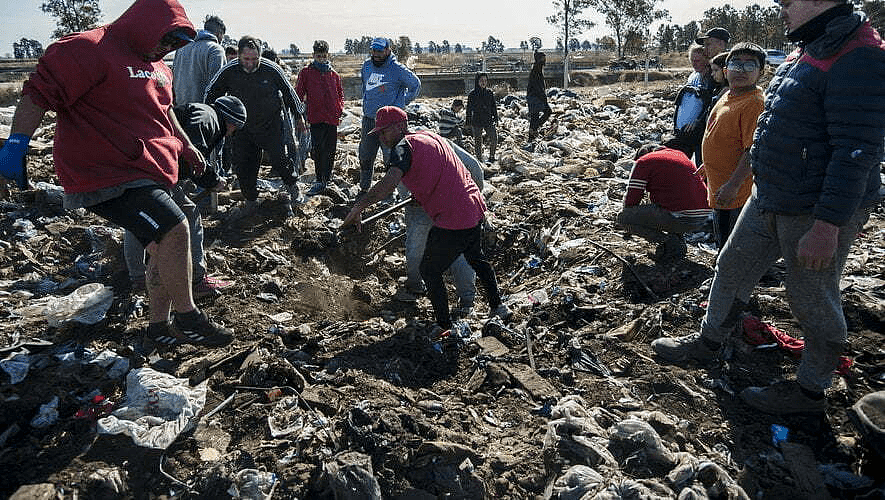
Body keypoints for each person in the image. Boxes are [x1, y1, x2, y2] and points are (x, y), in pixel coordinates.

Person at [651, 0, 885, 415]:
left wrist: (827, 226)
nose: (781, 8)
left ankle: (810, 391)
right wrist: (742, 179)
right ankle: (709, 341)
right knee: (731, 265)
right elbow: (774, 126)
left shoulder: (859, 55)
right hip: (769, 196)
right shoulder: (810, 47)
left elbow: (856, 150)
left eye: (788, 2)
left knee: (812, 297)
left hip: (812, 208)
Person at [0, 0, 233, 347]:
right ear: (145, 25)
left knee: (162, 247)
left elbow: (165, 112)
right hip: (105, 172)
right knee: (175, 227)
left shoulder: (159, 68)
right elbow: (38, 93)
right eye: (164, 40)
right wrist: (16, 143)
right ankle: (189, 318)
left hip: (150, 169)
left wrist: (186, 146)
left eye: (173, 45)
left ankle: (158, 327)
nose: (166, 49)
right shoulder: (89, 48)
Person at [342, 106, 510, 333]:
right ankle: (498, 307)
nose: (382, 137)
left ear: (401, 127)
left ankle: (444, 326)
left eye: (385, 131)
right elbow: (448, 169)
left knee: (429, 270)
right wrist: (422, 195)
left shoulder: (402, 148)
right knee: (476, 259)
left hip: (453, 216)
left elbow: (388, 184)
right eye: (379, 133)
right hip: (474, 207)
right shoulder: (429, 136)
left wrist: (359, 207)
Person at [124, 96, 246, 301]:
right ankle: (197, 279)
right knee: (189, 214)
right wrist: (213, 180)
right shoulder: (208, 117)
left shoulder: (200, 111)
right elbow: (193, 149)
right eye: (235, 128)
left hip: (141, 162)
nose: (232, 132)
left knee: (136, 219)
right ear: (231, 122)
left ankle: (137, 278)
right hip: (157, 168)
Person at [205, 35, 306, 217]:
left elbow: (289, 92)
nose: (250, 63)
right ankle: (251, 200)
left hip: (270, 125)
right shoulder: (229, 70)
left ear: (260, 56)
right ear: (239, 56)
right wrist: (211, 117)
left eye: (254, 59)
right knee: (243, 167)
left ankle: (292, 185)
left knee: (279, 159)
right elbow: (211, 93)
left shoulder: (271, 69)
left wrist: (299, 115)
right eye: (246, 59)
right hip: (242, 128)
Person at [395, 139, 485, 318]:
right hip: (451, 204)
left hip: (429, 205)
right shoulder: (439, 143)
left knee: (416, 244)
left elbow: (401, 188)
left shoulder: (400, 152)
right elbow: (475, 169)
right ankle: (467, 300)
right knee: (460, 251)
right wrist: (472, 196)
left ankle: (415, 285)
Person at [700, 43, 765, 249]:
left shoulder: (754, 103)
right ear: (726, 70)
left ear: (760, 72)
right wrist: (708, 164)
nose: (741, 71)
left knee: (732, 246)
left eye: (749, 66)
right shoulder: (729, 95)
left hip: (735, 193)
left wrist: (733, 185)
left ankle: (727, 280)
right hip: (720, 185)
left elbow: (752, 150)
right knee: (723, 237)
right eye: (736, 65)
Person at [617, 144, 712, 261]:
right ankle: (677, 240)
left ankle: (669, 242)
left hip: (681, 216)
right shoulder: (679, 154)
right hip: (703, 216)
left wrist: (631, 223)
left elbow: (632, 199)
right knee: (666, 206)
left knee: (623, 218)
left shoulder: (644, 161)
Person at [358, 37, 421, 195]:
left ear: (387, 50)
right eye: (374, 50)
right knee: (365, 154)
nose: (376, 54)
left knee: (390, 157)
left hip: (390, 124)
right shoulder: (366, 66)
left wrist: (402, 101)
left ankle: (391, 193)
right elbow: (365, 87)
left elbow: (415, 84)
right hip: (370, 119)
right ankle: (364, 188)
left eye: (380, 51)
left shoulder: (397, 69)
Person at [295, 40, 344, 196]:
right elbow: (298, 94)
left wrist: (339, 109)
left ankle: (326, 179)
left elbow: (340, 95)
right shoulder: (306, 73)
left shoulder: (334, 75)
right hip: (316, 118)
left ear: (327, 55)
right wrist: (298, 115)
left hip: (332, 119)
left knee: (330, 149)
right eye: (318, 56)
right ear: (313, 55)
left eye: (324, 56)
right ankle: (319, 179)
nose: (321, 59)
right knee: (317, 149)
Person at [671, 44, 713, 163]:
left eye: (698, 60)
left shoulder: (712, 78)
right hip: (684, 130)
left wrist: (698, 121)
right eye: (692, 60)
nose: (694, 64)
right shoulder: (693, 76)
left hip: (700, 130)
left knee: (700, 163)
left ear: (706, 60)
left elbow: (710, 104)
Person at [172, 14, 225, 105]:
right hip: (202, 112)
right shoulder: (215, 50)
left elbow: (173, 77)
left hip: (179, 109)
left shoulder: (182, 47)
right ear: (219, 33)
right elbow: (217, 87)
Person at [466, 72, 499, 163]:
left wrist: (496, 118)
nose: (483, 82)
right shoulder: (472, 94)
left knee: (494, 138)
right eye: (481, 80)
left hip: (488, 119)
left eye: (485, 80)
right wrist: (468, 123)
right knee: (478, 142)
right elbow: (468, 109)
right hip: (477, 120)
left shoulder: (489, 93)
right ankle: (479, 160)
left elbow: (493, 106)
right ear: (477, 81)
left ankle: (492, 157)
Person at [526, 50, 551, 146]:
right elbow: (537, 86)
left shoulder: (537, 68)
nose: (545, 60)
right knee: (548, 111)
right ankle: (533, 130)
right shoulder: (537, 69)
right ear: (539, 59)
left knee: (534, 117)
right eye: (543, 58)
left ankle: (531, 138)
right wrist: (543, 98)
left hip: (533, 96)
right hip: (535, 97)